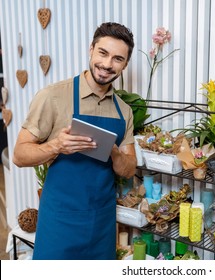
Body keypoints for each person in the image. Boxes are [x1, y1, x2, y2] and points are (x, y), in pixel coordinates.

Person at [13, 22, 137, 260]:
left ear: (125, 64)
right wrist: (56, 146)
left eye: (117, 59)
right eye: (103, 53)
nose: (107, 64)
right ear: (91, 49)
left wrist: (113, 151)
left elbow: (129, 169)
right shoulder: (53, 96)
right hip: (60, 220)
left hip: (102, 222)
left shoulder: (124, 111)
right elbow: (19, 155)